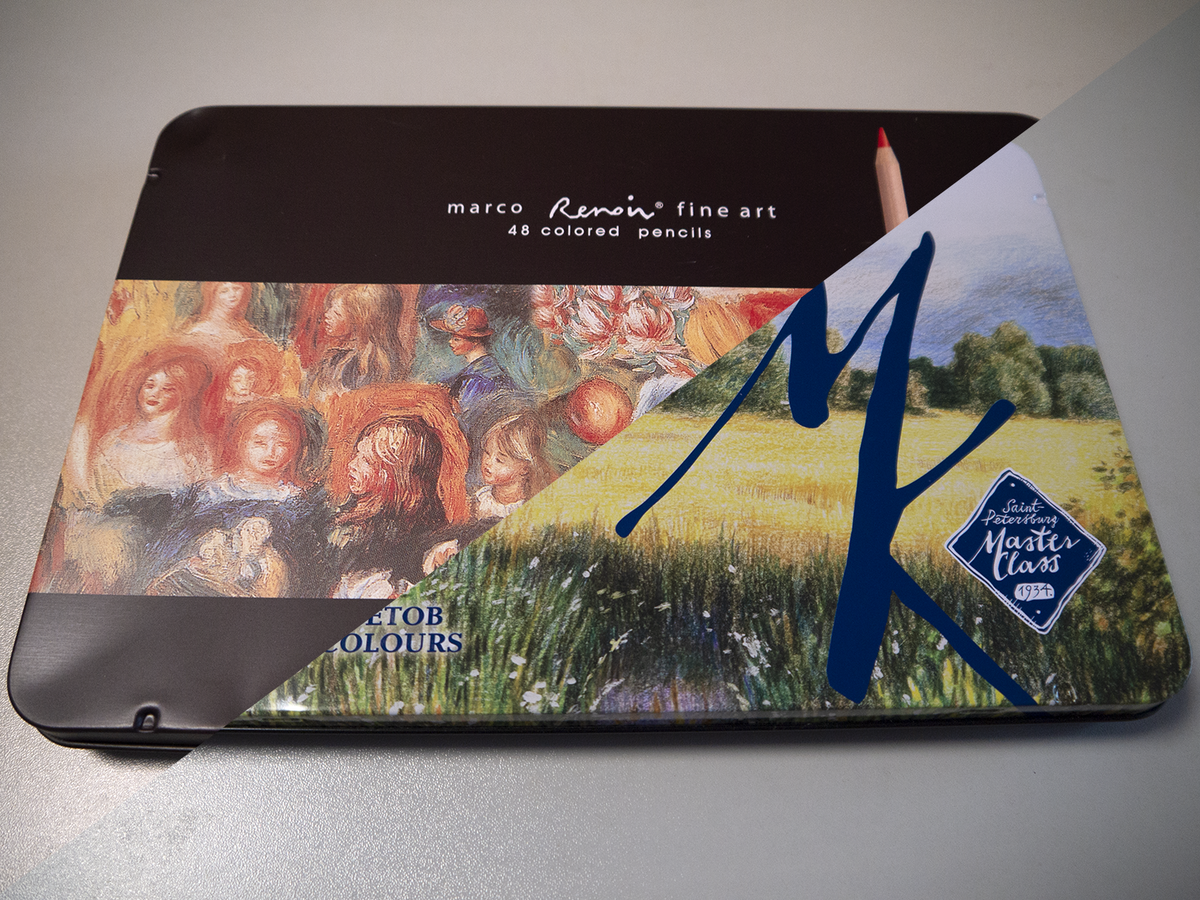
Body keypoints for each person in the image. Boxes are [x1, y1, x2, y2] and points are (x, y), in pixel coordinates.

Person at [328, 415, 458, 597]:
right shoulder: (353, 509)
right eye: (357, 454)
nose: (352, 465)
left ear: (397, 478)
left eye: (367, 461)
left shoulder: (404, 536)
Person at [89, 352, 213, 500]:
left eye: (167, 389)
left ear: (185, 396)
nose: (154, 393)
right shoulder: (112, 441)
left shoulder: (194, 450)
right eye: (149, 385)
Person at [305, 283, 412, 403]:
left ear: (360, 321)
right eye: (329, 308)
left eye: (337, 313)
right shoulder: (339, 356)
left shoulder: (365, 366)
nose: (326, 315)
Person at [474, 411, 557, 520]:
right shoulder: (480, 500)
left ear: (524, 468)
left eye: (499, 460)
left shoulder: (529, 508)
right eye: (487, 452)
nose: (488, 462)